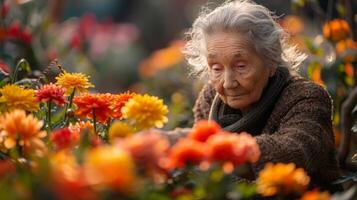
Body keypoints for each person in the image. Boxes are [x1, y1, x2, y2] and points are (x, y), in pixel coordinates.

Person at [169, 0, 342, 192]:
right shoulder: (211, 98)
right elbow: (207, 173)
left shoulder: (307, 97)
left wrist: (212, 146)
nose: (228, 82)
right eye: (216, 68)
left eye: (241, 66)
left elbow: (294, 152)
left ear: (271, 60)